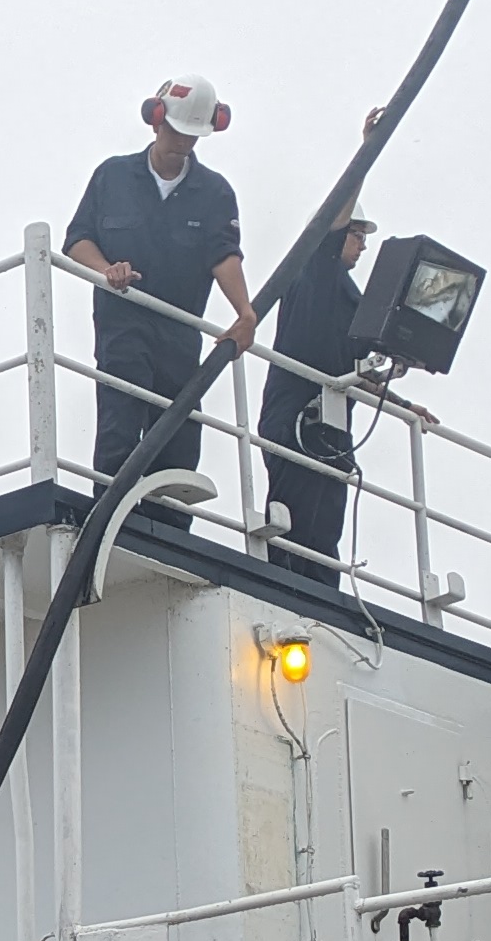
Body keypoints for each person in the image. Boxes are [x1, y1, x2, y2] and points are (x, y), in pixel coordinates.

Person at [66, 75, 255, 479]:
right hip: (123, 323)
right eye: (177, 131)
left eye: (193, 135)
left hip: (180, 332)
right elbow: (78, 240)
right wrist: (106, 270)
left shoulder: (214, 192)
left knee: (180, 439)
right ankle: (110, 520)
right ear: (156, 120)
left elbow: (224, 256)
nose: (184, 143)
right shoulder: (111, 177)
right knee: (121, 422)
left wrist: (245, 312)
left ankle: (169, 532)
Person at [259, 213, 376, 576]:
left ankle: (323, 591)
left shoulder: (347, 295)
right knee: (297, 515)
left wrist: (404, 405)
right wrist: (359, 174)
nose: (363, 245)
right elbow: (331, 228)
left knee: (325, 521)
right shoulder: (315, 272)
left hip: (331, 424)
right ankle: (290, 587)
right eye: (357, 235)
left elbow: (351, 365)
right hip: (299, 415)